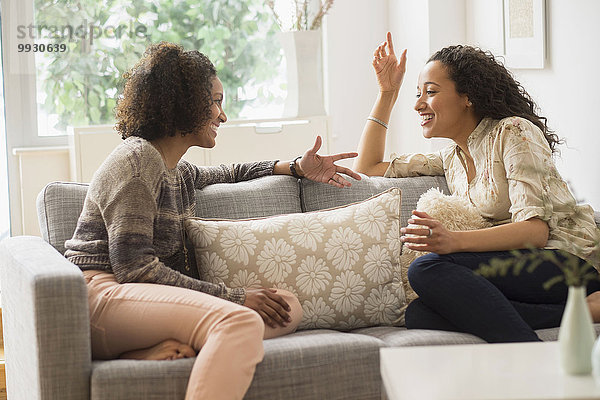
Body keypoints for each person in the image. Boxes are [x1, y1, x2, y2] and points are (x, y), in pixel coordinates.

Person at [64, 42, 361, 400]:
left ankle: (148, 348)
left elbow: (232, 172)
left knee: (286, 306)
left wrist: (296, 166)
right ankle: (146, 343)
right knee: (240, 320)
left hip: (135, 300)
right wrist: (235, 297)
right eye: (216, 102)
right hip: (102, 296)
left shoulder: (176, 170)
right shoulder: (138, 159)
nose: (223, 116)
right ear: (184, 103)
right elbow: (134, 268)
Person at [353, 32, 600, 343]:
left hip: (564, 260)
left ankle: (531, 355)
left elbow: (534, 232)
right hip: (515, 267)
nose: (418, 104)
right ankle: (577, 313)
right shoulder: (452, 158)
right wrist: (387, 93)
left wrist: (452, 241)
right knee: (420, 313)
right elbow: (366, 167)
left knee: (425, 270)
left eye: (430, 92)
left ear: (467, 95)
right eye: (418, 93)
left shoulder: (513, 132)